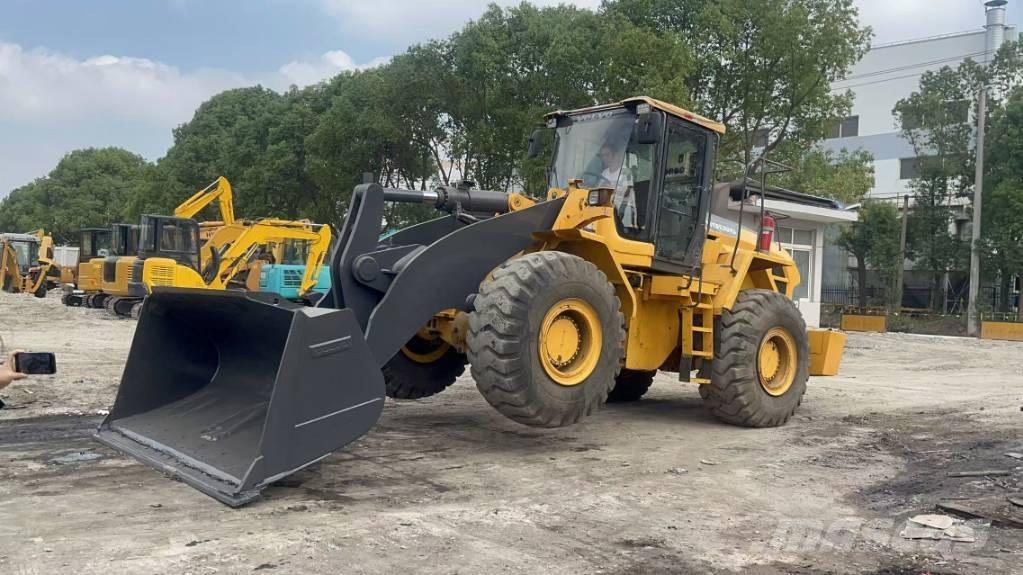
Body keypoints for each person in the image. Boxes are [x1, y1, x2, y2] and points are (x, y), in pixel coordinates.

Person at [597, 143, 638, 231]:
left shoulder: (626, 172)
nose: (604, 158)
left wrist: (611, 189)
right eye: (602, 155)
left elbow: (627, 193)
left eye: (607, 155)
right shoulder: (604, 173)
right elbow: (599, 191)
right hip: (607, 208)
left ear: (614, 155)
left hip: (623, 209)